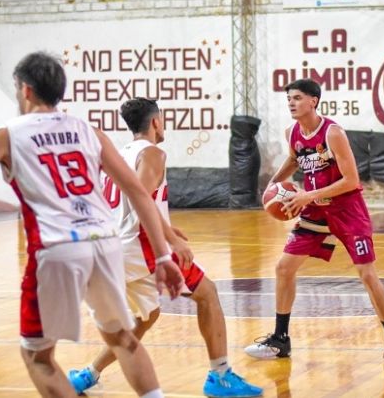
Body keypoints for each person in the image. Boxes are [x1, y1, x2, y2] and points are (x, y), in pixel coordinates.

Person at [0, 52, 185, 398]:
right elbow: (137, 191)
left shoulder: (5, 137)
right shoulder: (89, 132)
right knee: (123, 339)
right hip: (105, 242)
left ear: (26, 90)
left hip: (57, 247)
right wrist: (164, 257)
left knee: (37, 356)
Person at [68, 98, 263, 398]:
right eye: (163, 119)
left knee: (146, 317)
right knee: (208, 293)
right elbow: (140, 198)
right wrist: (170, 241)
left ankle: (87, 374)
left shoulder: (121, 153)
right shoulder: (153, 153)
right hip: (138, 246)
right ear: (156, 122)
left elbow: (134, 200)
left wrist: (168, 228)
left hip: (111, 247)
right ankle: (220, 375)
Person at [243, 79, 384, 364]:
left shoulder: (333, 133)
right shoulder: (292, 132)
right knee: (284, 268)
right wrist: (272, 183)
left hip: (347, 210)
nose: (292, 103)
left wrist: (309, 195)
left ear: (313, 101)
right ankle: (281, 339)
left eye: (297, 98)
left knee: (367, 275)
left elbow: (351, 180)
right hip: (316, 212)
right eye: (289, 99)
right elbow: (295, 159)